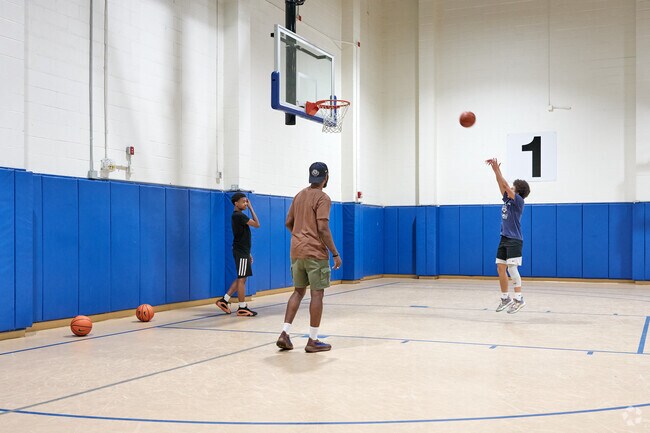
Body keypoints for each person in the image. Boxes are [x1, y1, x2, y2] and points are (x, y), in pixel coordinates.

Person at [276, 162, 342, 353]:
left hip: (296, 251)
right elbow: (323, 228)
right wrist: (335, 253)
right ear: (326, 177)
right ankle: (313, 340)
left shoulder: (299, 195)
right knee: (317, 293)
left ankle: (284, 333)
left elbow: (288, 222)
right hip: (315, 252)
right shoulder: (323, 198)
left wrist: (299, 235)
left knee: (298, 291)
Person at [486, 158, 530, 314]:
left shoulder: (518, 201)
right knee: (500, 268)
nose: (510, 187)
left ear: (517, 192)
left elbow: (505, 185)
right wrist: (495, 171)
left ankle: (519, 299)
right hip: (504, 238)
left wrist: (498, 170)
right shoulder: (508, 200)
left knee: (512, 268)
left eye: (513, 187)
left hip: (514, 240)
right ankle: (506, 298)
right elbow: (501, 185)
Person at [215, 192, 260, 317]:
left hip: (243, 250)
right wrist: (251, 208)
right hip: (240, 251)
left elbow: (242, 236)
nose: (246, 203)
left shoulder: (239, 216)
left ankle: (224, 300)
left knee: (242, 277)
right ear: (236, 203)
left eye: (247, 201)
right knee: (242, 279)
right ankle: (242, 307)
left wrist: (248, 253)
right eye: (244, 201)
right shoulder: (238, 216)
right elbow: (257, 224)